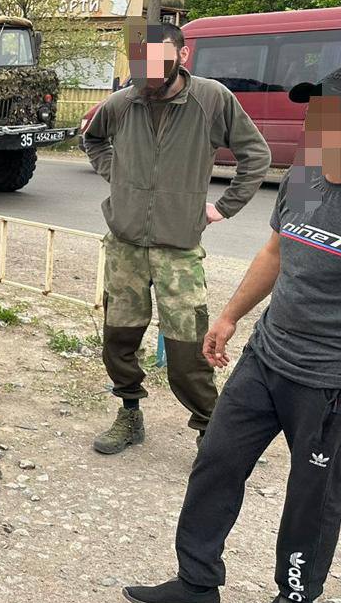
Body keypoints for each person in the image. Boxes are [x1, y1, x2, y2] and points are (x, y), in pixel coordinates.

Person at [124, 65, 341, 603]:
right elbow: (275, 251)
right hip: (267, 359)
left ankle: (296, 598)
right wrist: (229, 315)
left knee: (311, 496)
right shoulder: (305, 173)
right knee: (216, 461)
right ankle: (196, 582)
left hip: (339, 384)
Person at [83, 23, 271, 455]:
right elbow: (92, 140)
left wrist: (223, 207)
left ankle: (211, 431)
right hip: (125, 247)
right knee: (119, 340)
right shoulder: (122, 102)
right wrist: (120, 178)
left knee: (188, 353)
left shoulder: (211, 99)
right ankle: (129, 413)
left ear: (182, 57)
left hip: (179, 250)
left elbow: (255, 155)